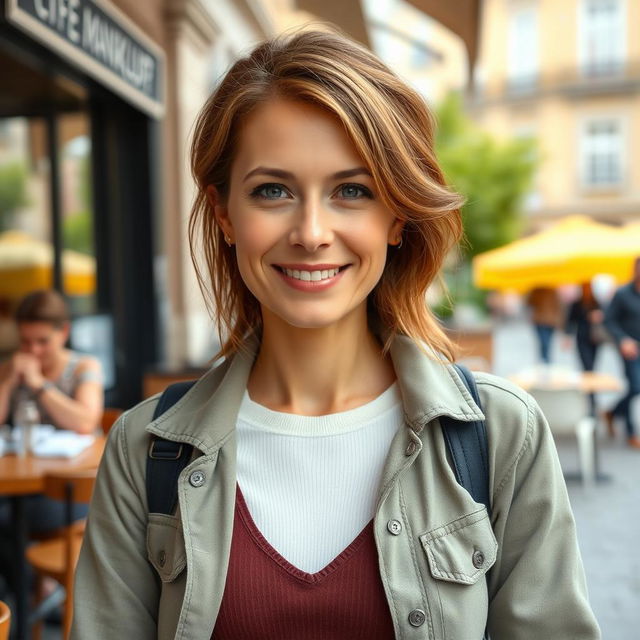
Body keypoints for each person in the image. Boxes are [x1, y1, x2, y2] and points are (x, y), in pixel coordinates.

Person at [72, 31, 599, 639]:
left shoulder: (500, 436)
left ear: (396, 216)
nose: (312, 232)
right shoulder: (144, 451)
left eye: (352, 191)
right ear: (223, 215)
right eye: (273, 191)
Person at [0, 290, 103, 534]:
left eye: (42, 341)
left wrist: (38, 384)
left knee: (13, 521)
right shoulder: (11, 367)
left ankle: (26, 571)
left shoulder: (84, 367)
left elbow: (85, 423)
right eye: (26, 341)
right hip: (22, 484)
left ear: (64, 332)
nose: (33, 350)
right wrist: (7, 382)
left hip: (73, 489)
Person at [603, 257, 640, 449]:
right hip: (630, 349)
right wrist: (623, 339)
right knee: (635, 387)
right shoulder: (623, 293)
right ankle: (631, 432)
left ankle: (612, 413)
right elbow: (609, 320)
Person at [563, 282, 605, 414]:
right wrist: (568, 337)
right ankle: (591, 400)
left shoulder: (597, 302)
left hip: (595, 339)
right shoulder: (577, 303)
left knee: (592, 368)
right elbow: (570, 321)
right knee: (587, 368)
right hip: (582, 339)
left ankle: (592, 398)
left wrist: (598, 317)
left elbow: (607, 317)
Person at [526, 286, 563, 364]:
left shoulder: (553, 291)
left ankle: (545, 360)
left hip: (550, 321)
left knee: (547, 342)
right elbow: (529, 303)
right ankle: (544, 360)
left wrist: (559, 321)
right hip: (540, 321)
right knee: (543, 342)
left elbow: (558, 306)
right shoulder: (537, 290)